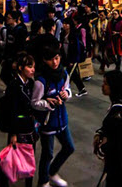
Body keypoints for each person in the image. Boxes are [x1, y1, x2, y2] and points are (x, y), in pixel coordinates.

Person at [32, 46, 75, 187]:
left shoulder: (64, 74)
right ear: (44, 60)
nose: (55, 62)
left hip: (62, 119)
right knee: (47, 153)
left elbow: (68, 89)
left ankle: (52, 172)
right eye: (51, 59)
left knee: (69, 147)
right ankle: (43, 181)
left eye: (57, 58)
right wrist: (47, 103)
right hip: (48, 123)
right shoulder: (41, 80)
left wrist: (67, 94)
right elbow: (34, 103)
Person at [0, 53, 37, 187]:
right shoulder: (13, 86)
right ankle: (3, 177)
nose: (32, 70)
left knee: (29, 154)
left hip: (29, 125)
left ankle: (25, 181)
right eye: (29, 67)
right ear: (20, 68)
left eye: (33, 67)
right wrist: (13, 133)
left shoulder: (30, 83)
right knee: (12, 154)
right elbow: (11, 111)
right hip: (18, 126)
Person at [61, 18, 87, 97]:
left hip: (72, 58)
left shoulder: (74, 35)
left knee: (70, 74)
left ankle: (65, 90)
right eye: (64, 23)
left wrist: (73, 60)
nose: (65, 25)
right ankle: (82, 89)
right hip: (65, 57)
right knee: (73, 74)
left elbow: (76, 49)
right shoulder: (62, 33)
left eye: (67, 24)